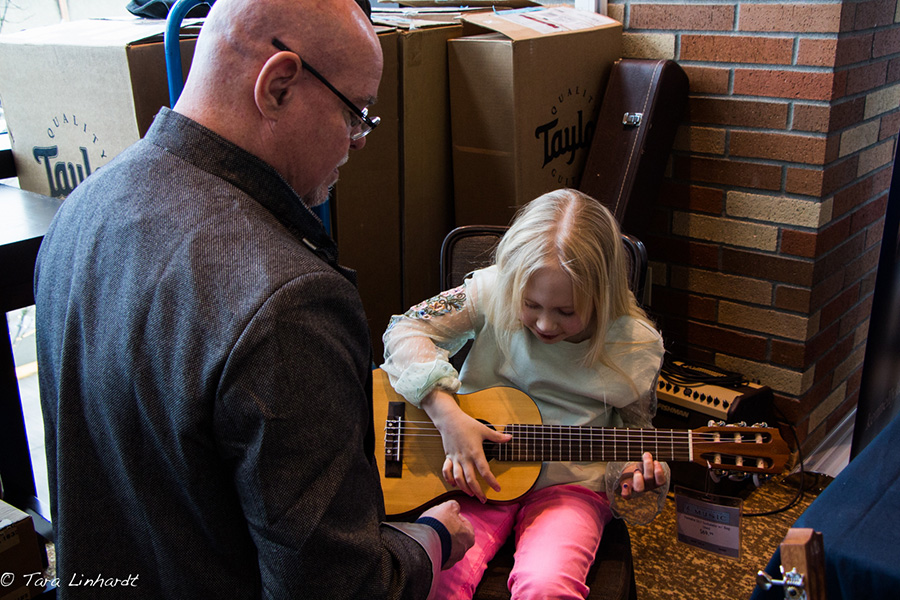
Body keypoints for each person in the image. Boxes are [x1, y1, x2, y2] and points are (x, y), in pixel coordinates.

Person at [34, 0, 472, 598]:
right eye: (355, 113)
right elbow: (339, 590)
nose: (359, 140)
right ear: (279, 85)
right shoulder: (290, 303)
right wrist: (428, 541)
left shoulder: (84, 208)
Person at [381, 189, 670, 599]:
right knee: (431, 577)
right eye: (530, 304)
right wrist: (446, 414)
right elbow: (406, 329)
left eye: (566, 311)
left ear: (603, 296)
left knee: (546, 586)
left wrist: (630, 472)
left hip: (569, 490)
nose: (546, 324)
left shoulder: (634, 346)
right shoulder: (490, 289)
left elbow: (636, 430)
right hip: (472, 478)